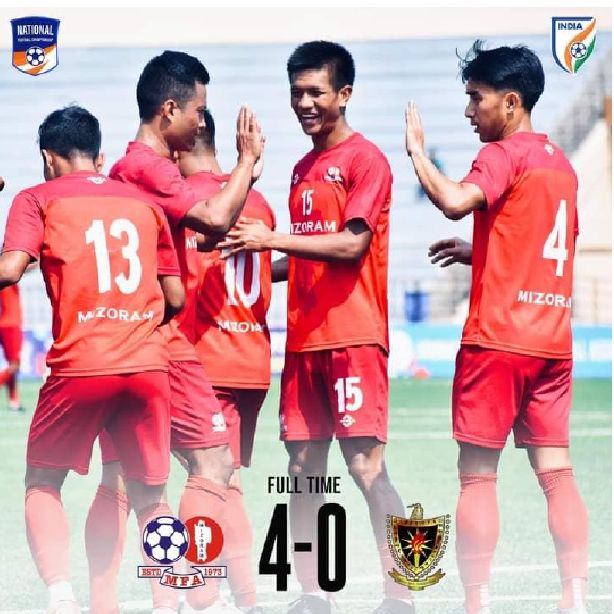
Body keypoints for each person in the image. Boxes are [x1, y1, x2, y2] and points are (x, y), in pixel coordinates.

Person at [220, 41, 411, 614]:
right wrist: (242, 261)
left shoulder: (366, 160)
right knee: (302, 471)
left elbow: (351, 245)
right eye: (296, 92)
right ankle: (313, 594)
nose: (304, 103)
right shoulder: (302, 168)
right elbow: (304, 255)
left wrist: (269, 239)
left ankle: (402, 594)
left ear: (344, 94)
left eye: (316, 92)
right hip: (304, 343)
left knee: (366, 468)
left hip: (354, 339)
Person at [405, 41, 588, 614]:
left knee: (477, 477)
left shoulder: (503, 154)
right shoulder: (561, 165)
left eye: (475, 98)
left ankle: (476, 602)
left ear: (510, 103)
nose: (468, 111)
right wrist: (479, 251)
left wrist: (417, 155)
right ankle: (575, 596)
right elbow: (544, 243)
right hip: (551, 343)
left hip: (497, 340)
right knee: (556, 473)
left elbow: (455, 200)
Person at [86, 50, 263, 614]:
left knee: (136, 480)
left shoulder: (130, 172)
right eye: (198, 110)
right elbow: (214, 218)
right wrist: (246, 161)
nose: (201, 121)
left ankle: (151, 602)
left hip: (124, 339)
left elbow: (198, 235)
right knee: (214, 463)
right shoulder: (149, 167)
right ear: (169, 110)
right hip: (160, 339)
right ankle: (199, 593)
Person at [0, 105, 184, 614]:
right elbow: (175, 297)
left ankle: (62, 596)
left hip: (82, 364)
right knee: (151, 495)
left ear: (48, 157)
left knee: (43, 481)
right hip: (146, 365)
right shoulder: (144, 203)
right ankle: (167, 600)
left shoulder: (36, 198)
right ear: (99, 155)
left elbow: (10, 270)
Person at [173, 109, 275, 613]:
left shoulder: (190, 201)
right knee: (227, 480)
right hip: (251, 358)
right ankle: (245, 601)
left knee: (203, 479)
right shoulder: (257, 200)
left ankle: (203, 598)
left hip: (206, 359)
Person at [0, 284, 24, 411]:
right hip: (11, 324)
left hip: (7, 322)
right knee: (14, 366)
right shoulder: (8, 276)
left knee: (12, 365)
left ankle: (14, 401)